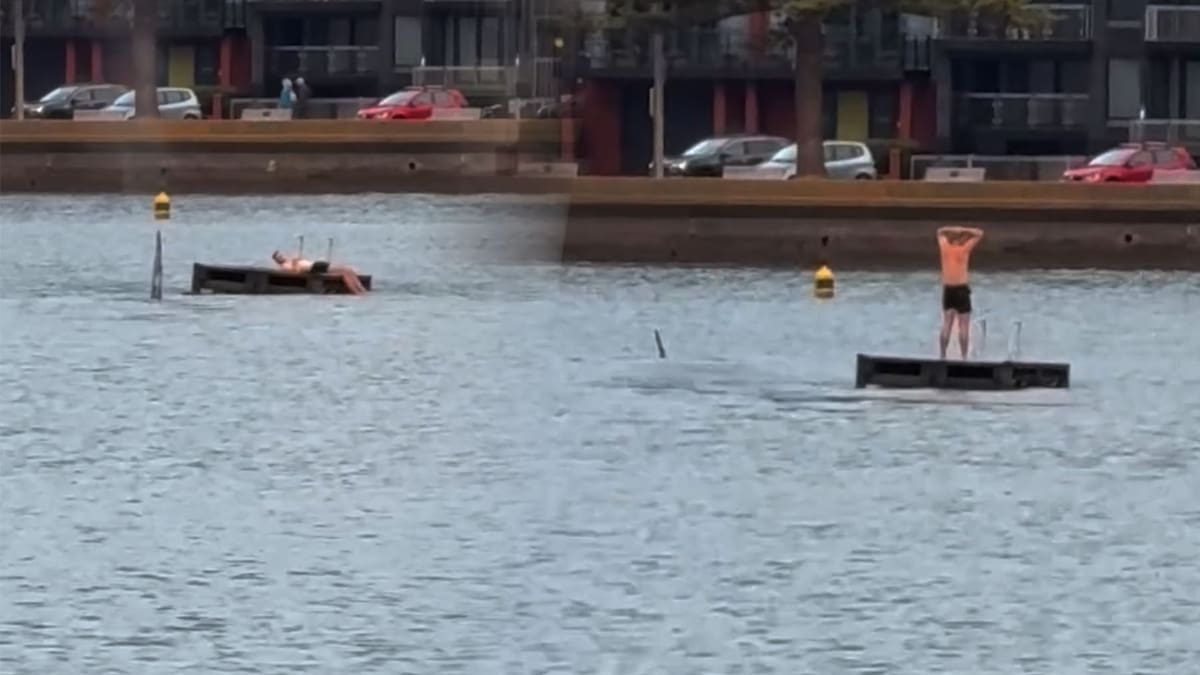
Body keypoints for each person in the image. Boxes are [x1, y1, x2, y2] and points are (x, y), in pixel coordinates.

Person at [936, 226, 984, 360]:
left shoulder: (944, 247)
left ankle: (942, 355)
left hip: (948, 289)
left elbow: (939, 231)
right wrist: (964, 230)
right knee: (964, 326)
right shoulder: (964, 249)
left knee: (947, 324)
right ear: (961, 240)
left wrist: (952, 229)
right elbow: (980, 233)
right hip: (961, 289)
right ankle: (964, 357)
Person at [271, 250, 368, 295]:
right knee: (344, 272)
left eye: (281, 255)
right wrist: (295, 263)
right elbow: (297, 272)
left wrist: (298, 259)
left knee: (348, 270)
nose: (282, 256)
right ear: (278, 260)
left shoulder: (289, 261)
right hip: (314, 268)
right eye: (279, 257)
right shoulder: (285, 266)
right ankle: (356, 292)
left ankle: (361, 289)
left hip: (315, 264)